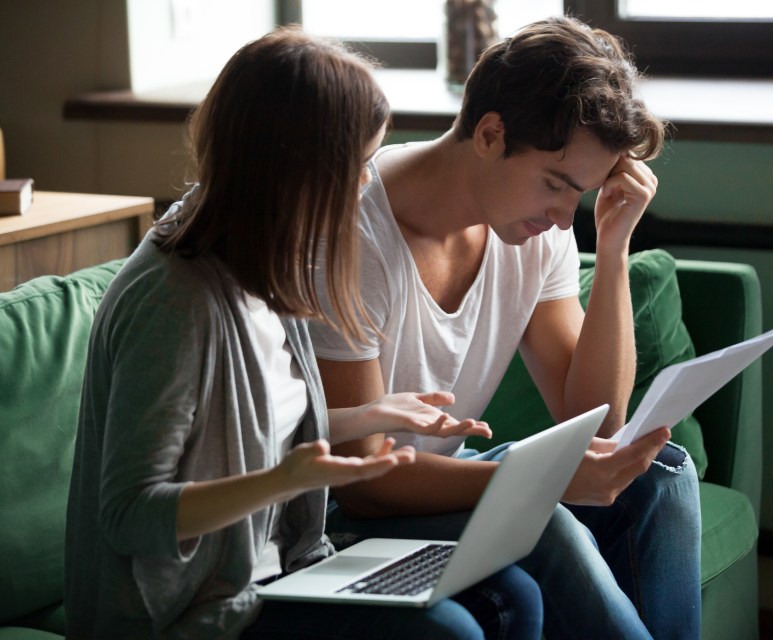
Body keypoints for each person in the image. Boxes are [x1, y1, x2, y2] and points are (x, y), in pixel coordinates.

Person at [64, 27, 544, 640]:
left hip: (278, 567)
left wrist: (370, 415)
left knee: (512, 594)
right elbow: (130, 514)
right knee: (450, 629)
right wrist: (282, 482)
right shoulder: (176, 302)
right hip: (191, 611)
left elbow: (249, 426)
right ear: (297, 167)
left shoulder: (267, 262)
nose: (369, 182)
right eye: (359, 163)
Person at [309, 16, 703, 640]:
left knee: (659, 476)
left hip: (439, 474)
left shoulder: (537, 231)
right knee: (546, 521)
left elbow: (597, 418)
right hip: (340, 512)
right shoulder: (355, 236)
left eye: (579, 193)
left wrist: (614, 248)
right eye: (555, 183)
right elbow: (362, 481)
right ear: (490, 134)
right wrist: (531, 484)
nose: (559, 214)